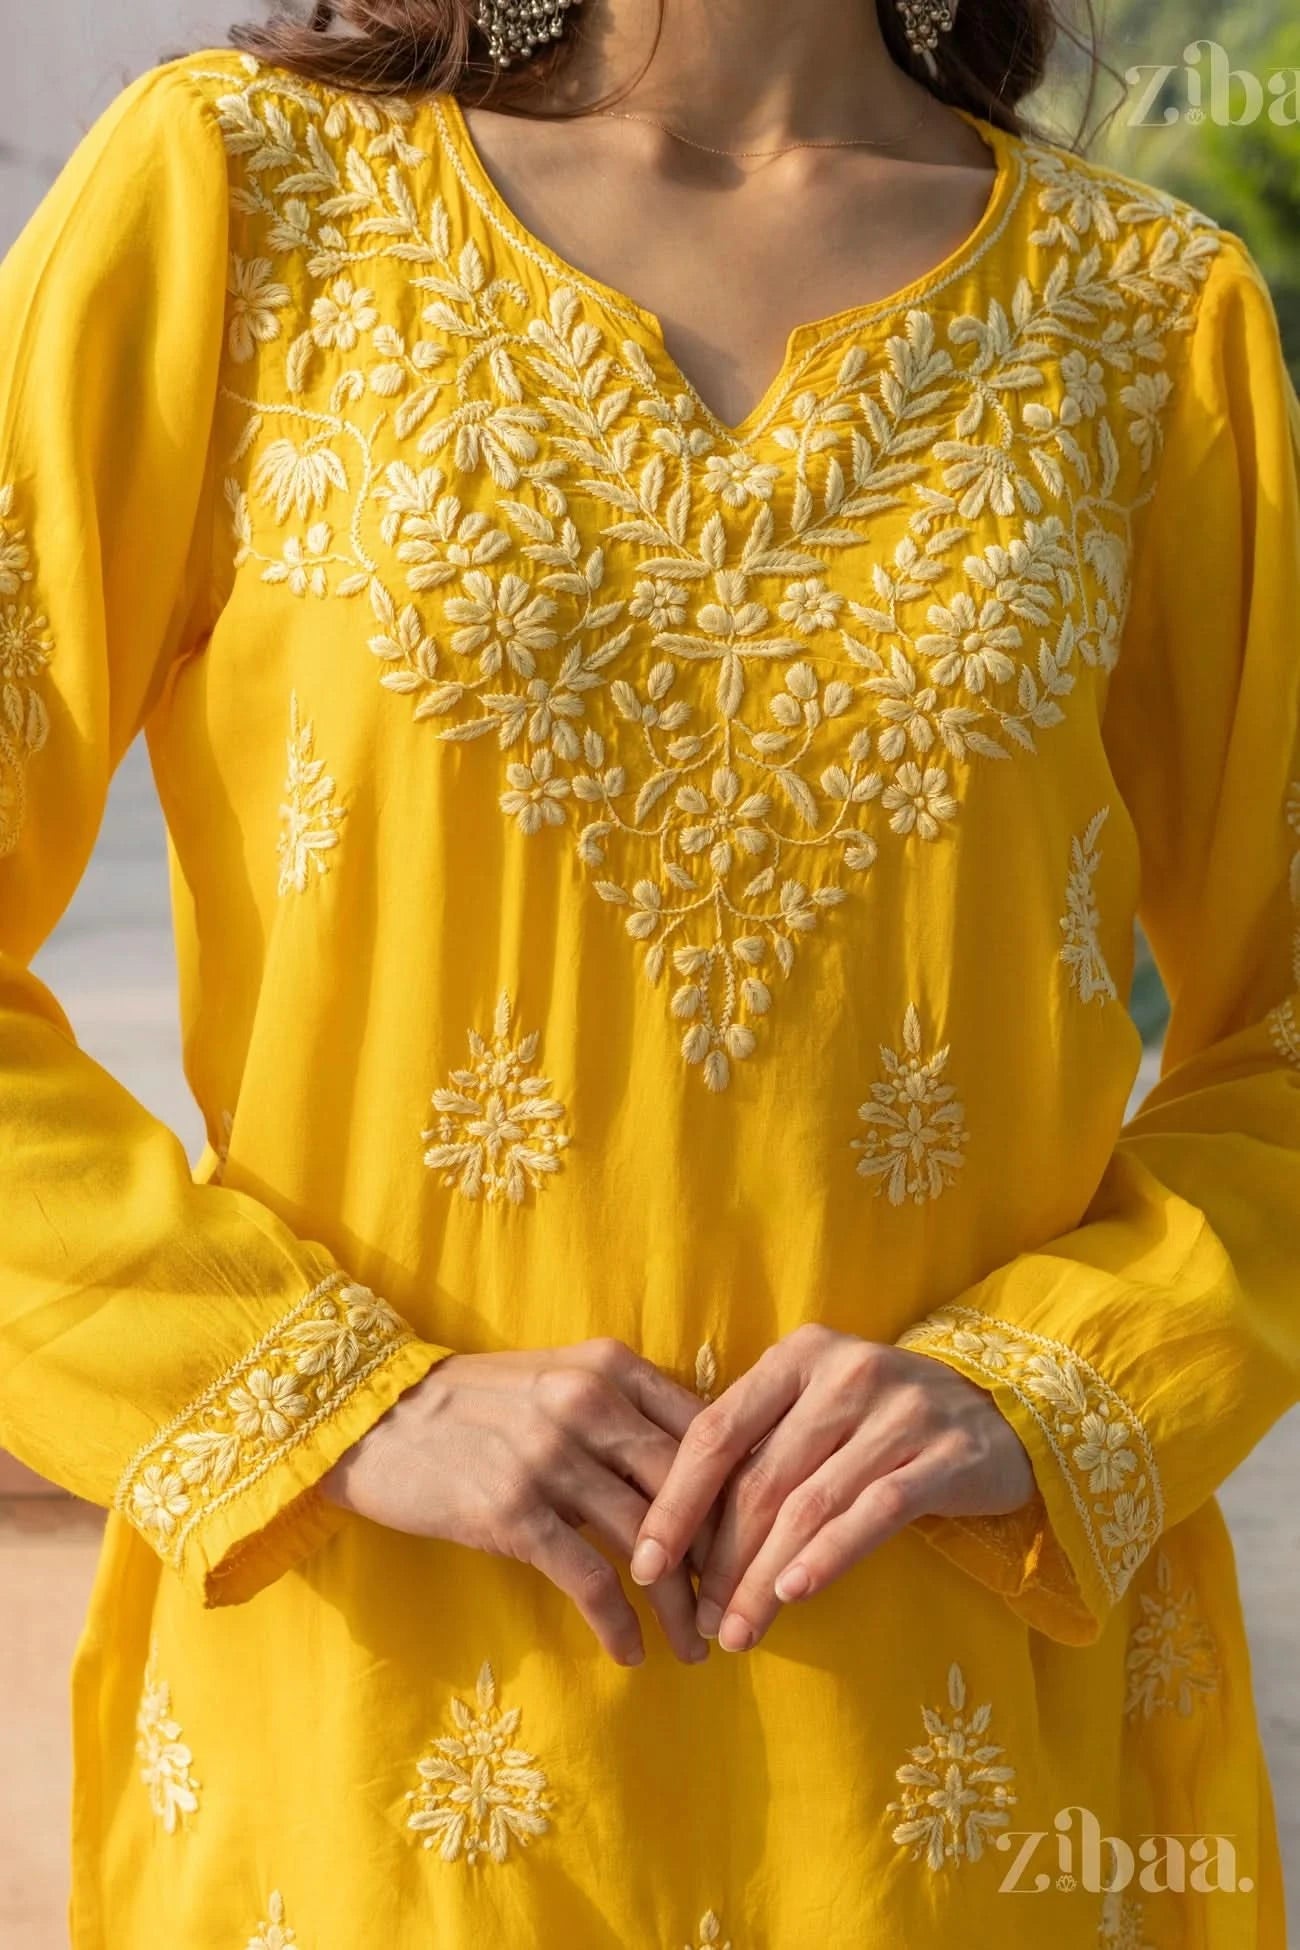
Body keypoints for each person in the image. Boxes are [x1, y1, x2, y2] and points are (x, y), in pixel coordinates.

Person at [0, 0, 1297, 1943]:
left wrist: (1054, 1379)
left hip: (930, 1768)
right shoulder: (235, 196)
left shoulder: (1137, 318)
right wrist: (331, 1401)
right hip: (380, 1752)